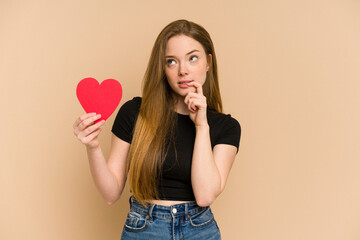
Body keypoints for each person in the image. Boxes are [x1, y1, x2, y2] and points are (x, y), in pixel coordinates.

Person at [73, 19, 241, 240]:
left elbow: (205, 195)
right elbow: (110, 194)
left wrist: (201, 125)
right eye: (171, 61)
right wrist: (92, 146)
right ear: (162, 67)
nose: (183, 71)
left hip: (200, 231)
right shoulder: (134, 112)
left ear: (208, 62)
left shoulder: (226, 127)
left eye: (192, 58)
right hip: (144, 229)